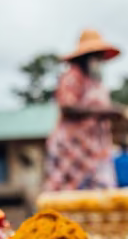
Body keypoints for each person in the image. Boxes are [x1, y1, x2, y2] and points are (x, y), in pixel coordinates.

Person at [44, 30, 123, 192]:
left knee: (100, 195)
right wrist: (101, 112)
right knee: (67, 196)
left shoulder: (97, 83)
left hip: (96, 150)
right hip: (72, 148)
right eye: (96, 56)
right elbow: (67, 107)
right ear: (86, 57)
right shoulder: (72, 77)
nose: (99, 61)